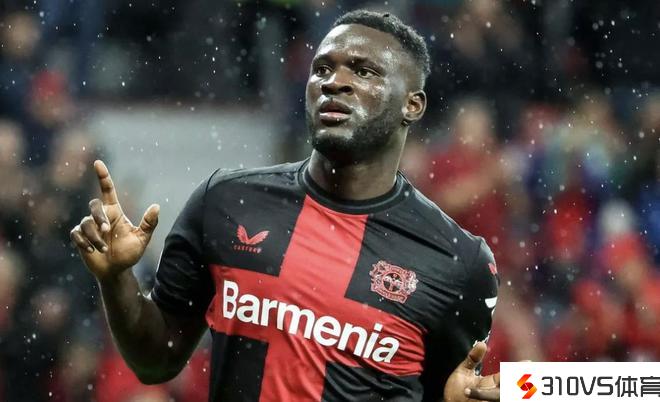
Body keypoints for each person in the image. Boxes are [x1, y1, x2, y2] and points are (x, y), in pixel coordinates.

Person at [70, 10, 500, 402]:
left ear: (413, 105)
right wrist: (116, 278)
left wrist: (516, 391)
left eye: (363, 71)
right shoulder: (225, 202)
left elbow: (478, 389)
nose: (334, 82)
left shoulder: (458, 261)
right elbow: (156, 361)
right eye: (322, 69)